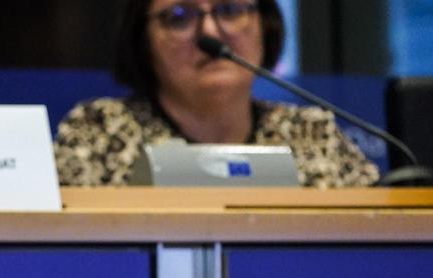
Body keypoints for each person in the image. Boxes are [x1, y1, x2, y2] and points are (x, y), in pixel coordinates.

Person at [54, 0, 380, 188]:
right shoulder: (98, 131)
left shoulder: (312, 134)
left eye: (230, 9)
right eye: (179, 16)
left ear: (264, 25)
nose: (210, 32)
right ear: (142, 41)